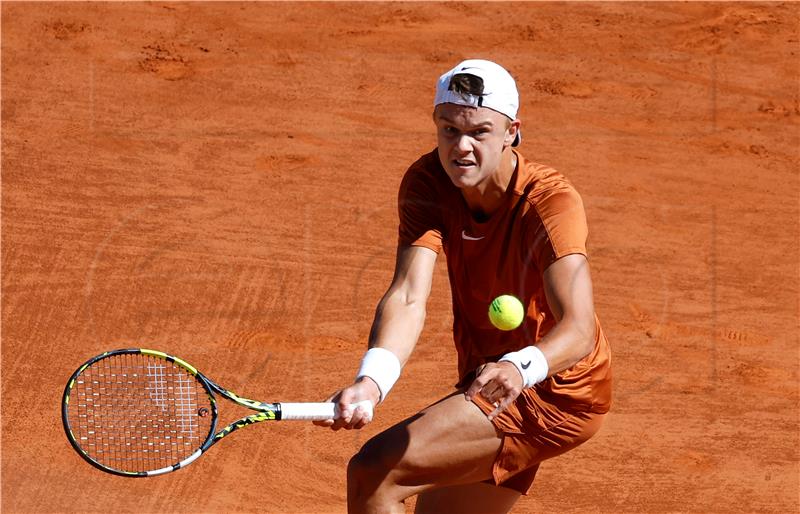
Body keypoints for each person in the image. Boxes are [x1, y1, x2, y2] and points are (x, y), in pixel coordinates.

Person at [314, 59, 612, 514]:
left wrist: (519, 368)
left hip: (554, 387)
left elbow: (579, 328)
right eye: (449, 130)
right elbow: (408, 295)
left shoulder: (550, 203)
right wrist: (372, 381)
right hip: (489, 380)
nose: (461, 148)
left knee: (375, 472)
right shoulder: (429, 182)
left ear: (513, 131)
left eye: (480, 132)